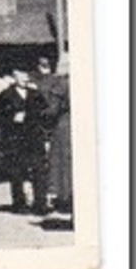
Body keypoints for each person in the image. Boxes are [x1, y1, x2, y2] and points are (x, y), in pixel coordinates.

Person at [0, 67, 50, 215]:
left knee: (39, 169)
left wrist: (37, 120)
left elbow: (45, 112)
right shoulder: (5, 95)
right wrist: (11, 119)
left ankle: (40, 203)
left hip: (34, 137)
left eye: (27, 74)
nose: (25, 78)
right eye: (22, 75)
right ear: (14, 76)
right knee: (17, 171)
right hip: (15, 139)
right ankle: (19, 203)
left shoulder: (35, 94)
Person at [45, 59, 73, 218]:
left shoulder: (62, 83)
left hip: (65, 124)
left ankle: (65, 196)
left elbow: (52, 110)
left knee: (63, 161)